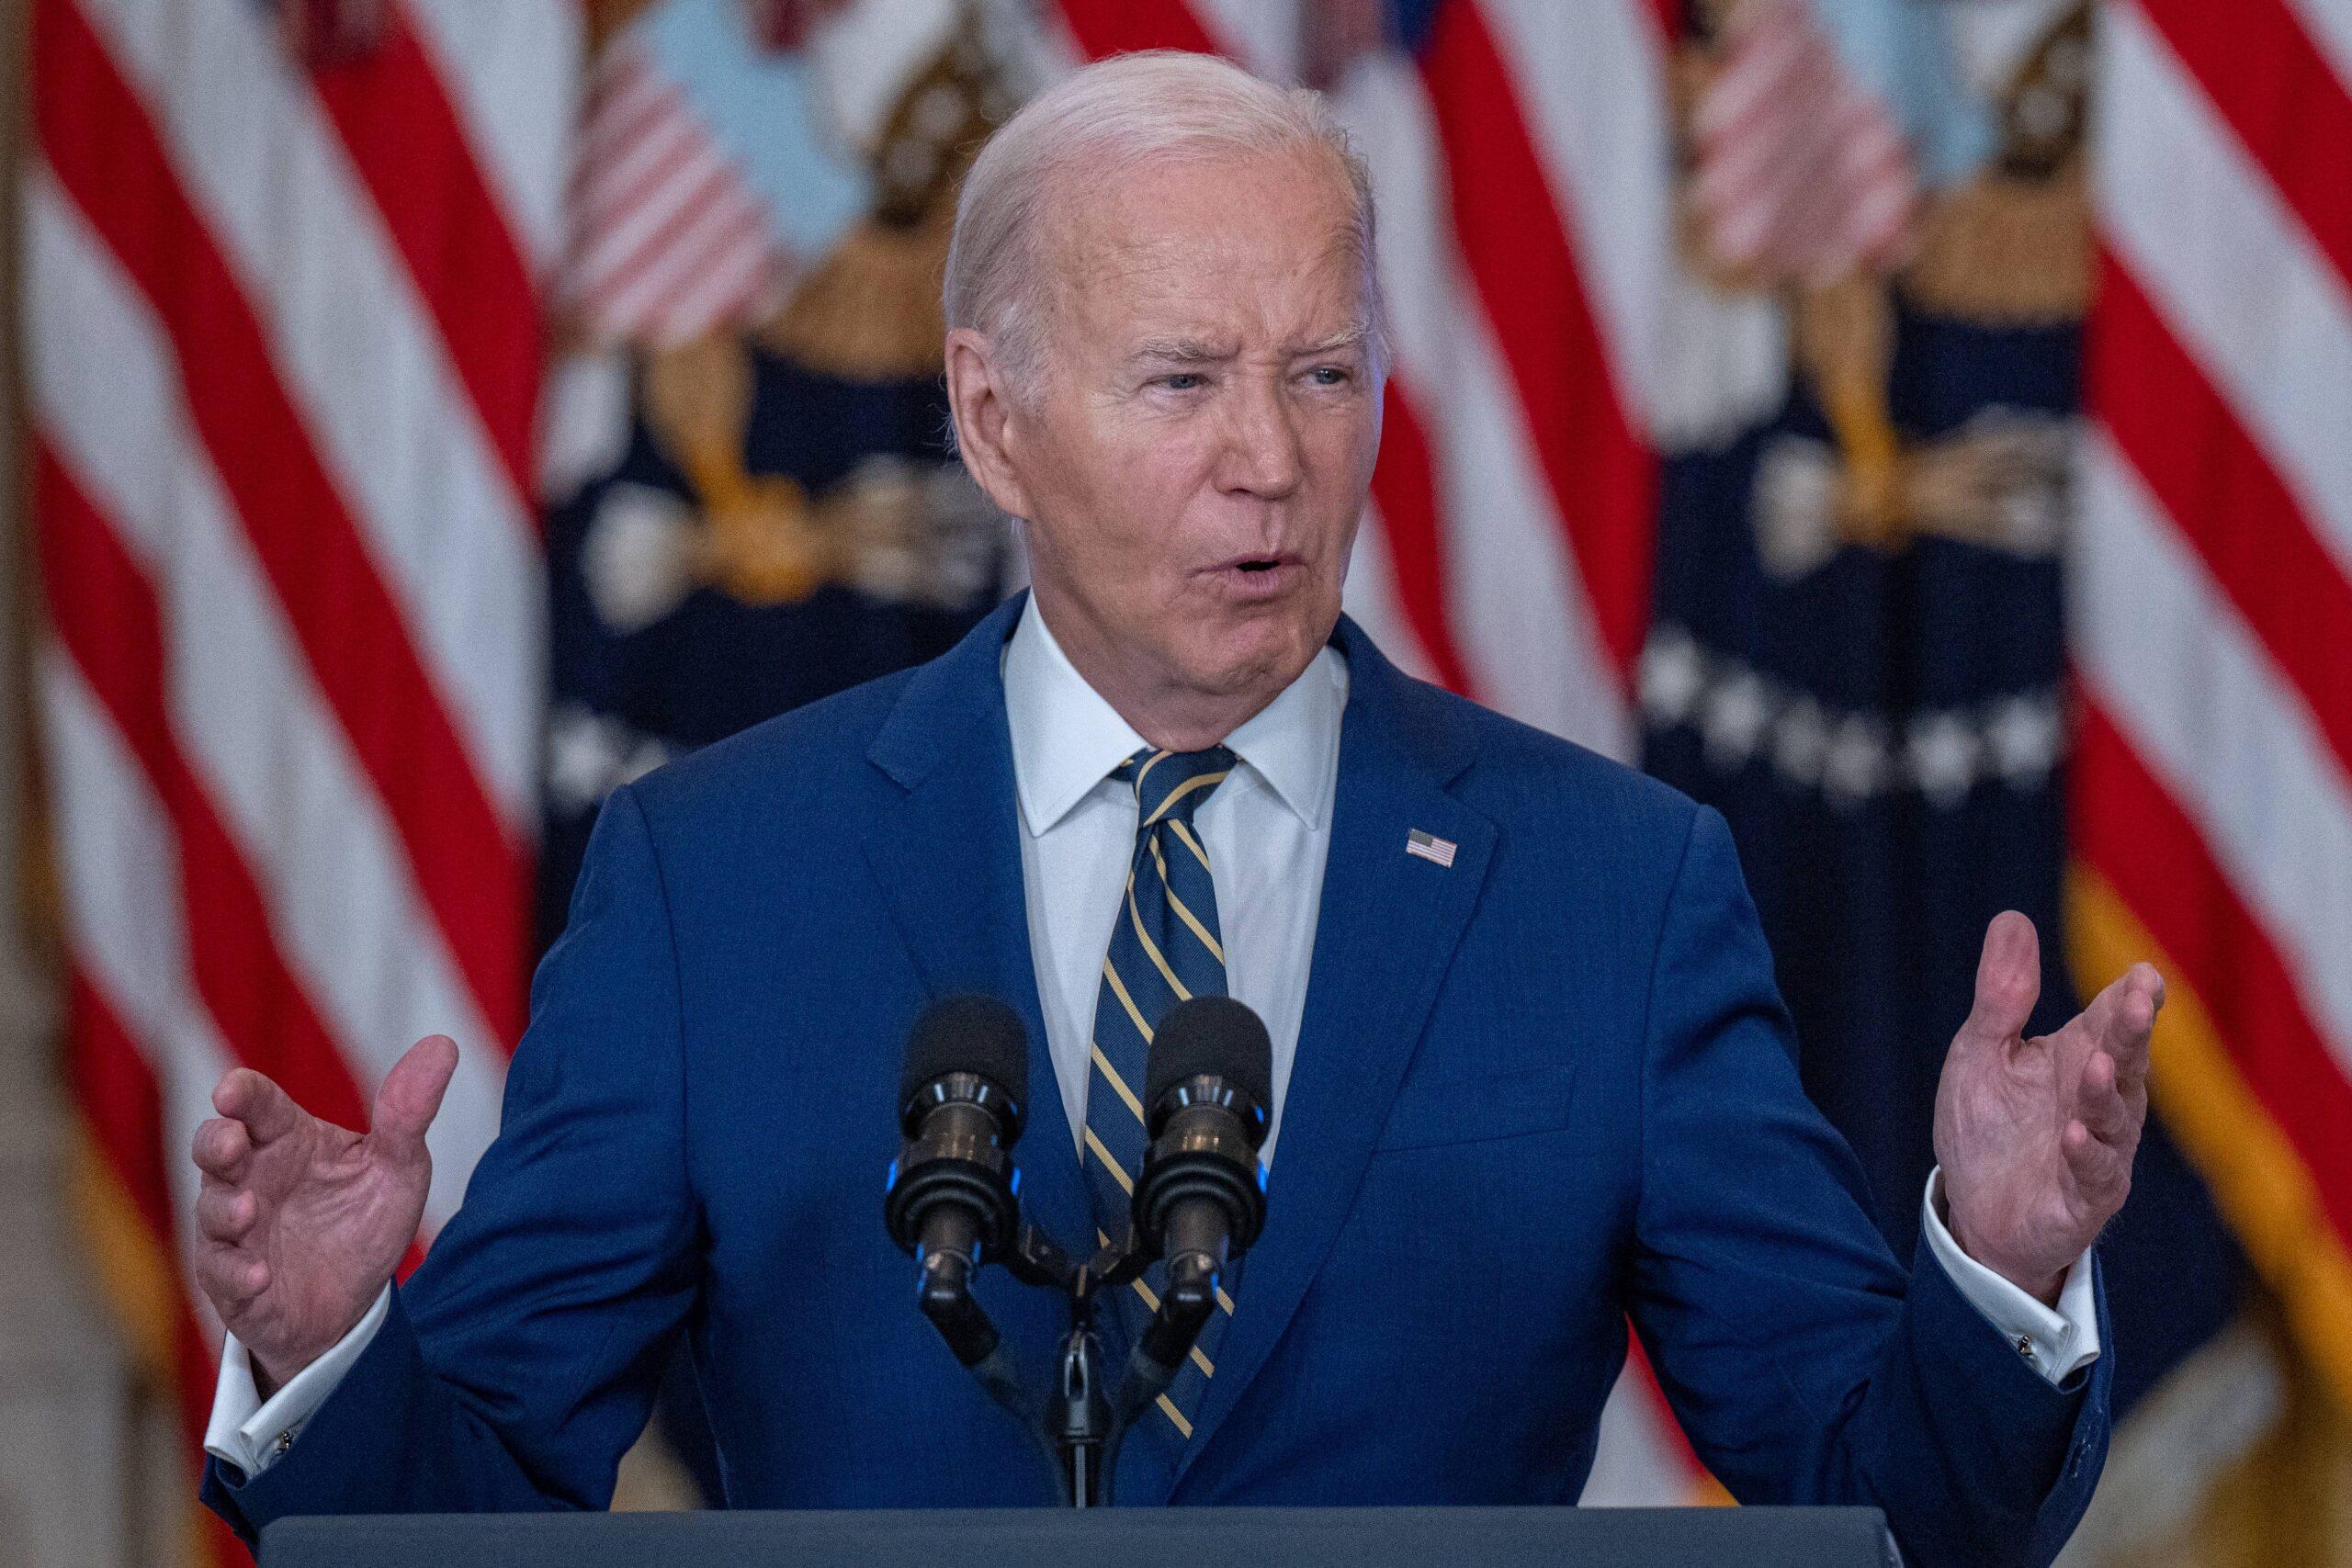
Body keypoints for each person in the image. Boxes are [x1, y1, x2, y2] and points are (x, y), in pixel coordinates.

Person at [191, 51, 2156, 1566]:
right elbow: (462, 1509)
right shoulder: (718, 882)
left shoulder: (1610, 893)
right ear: (989, 419)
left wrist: (1990, 1267)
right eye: (1180, 378)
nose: (1269, 462)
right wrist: (328, 1354)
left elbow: (1891, 1505)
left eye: (1319, 372)